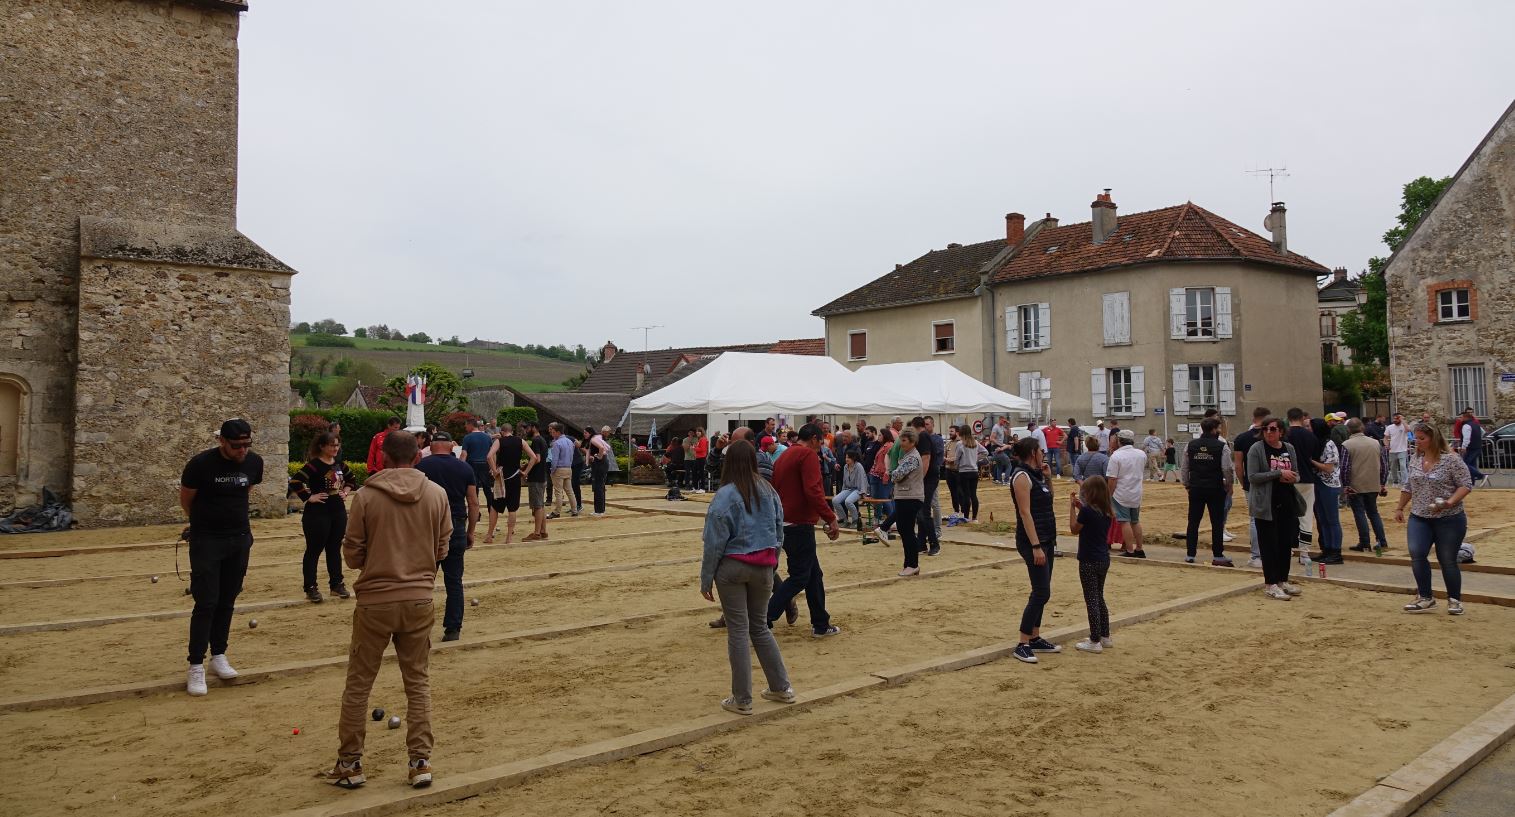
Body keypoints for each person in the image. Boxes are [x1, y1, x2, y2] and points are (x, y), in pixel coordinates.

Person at [320, 430, 450, 790]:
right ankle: (420, 763)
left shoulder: (365, 497)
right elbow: (443, 547)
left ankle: (350, 764)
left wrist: (375, 562)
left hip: (375, 599)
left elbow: (351, 553)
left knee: (359, 684)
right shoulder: (436, 495)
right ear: (417, 457)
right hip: (419, 598)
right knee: (418, 682)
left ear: (385, 457)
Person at [699, 440, 796, 715]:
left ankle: (742, 698)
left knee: (739, 632)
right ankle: (781, 687)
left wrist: (706, 579)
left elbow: (713, 542)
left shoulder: (725, 495)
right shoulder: (769, 491)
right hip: (763, 565)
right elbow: (779, 531)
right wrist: (772, 562)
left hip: (732, 567)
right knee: (760, 628)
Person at [180, 419, 264, 696]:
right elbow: (187, 499)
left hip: (239, 538)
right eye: (236, 446)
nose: (242, 450)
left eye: (246, 445)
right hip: (207, 540)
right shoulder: (201, 464)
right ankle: (195, 665)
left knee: (228, 599)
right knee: (206, 602)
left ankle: (219, 654)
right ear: (222, 442)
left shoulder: (254, 463)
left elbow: (245, 491)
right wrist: (202, 524)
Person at [765, 423, 842, 636]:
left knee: (814, 575)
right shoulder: (807, 456)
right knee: (800, 576)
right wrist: (830, 517)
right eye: (821, 441)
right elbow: (813, 490)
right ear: (815, 439)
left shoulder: (785, 455)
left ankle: (821, 623)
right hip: (799, 524)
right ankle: (765, 617)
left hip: (785, 522)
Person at [1396, 421, 1472, 615]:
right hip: (1420, 515)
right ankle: (1425, 596)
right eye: (1415, 438)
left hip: (1449, 517)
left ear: (1433, 439)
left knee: (1447, 559)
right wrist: (1400, 507)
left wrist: (1450, 502)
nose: (1417, 442)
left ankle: (1454, 599)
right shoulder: (1415, 459)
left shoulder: (1451, 460)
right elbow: (1408, 486)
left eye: (1422, 438)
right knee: (1417, 553)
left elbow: (1465, 485)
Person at [415, 432, 477, 641]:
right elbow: (474, 503)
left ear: (431, 447)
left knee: (422, 581)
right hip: (456, 525)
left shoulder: (421, 468)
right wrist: (471, 531)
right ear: (451, 446)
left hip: (427, 528)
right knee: (454, 580)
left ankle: (418, 627)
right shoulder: (464, 468)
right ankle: (453, 628)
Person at [1009, 438, 1061, 664]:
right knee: (1041, 592)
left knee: (1044, 589)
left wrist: (1048, 477)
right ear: (1032, 452)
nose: (1044, 454)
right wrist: (1036, 546)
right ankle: (1022, 642)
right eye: (1041, 451)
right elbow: (1025, 512)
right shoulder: (1021, 476)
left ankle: (1035, 636)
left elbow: (1049, 499)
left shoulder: (1037, 475)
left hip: (1047, 537)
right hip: (1033, 541)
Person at [289, 431, 353, 603]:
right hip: (317, 514)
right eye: (332, 445)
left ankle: (336, 584)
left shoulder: (340, 464)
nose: (335, 448)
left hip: (338, 511)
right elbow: (295, 481)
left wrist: (345, 492)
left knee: (334, 548)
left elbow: (351, 480)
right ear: (322, 446)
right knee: (314, 550)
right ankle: (310, 587)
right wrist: (309, 497)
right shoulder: (314, 465)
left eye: (337, 445)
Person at [1247, 417, 1305, 601]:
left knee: (1284, 543)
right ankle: (1270, 583)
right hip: (1265, 503)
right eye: (1265, 429)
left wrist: (1292, 478)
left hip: (1286, 500)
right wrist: (1278, 473)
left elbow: (1296, 473)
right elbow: (1253, 476)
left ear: (1281, 431)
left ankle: (1282, 580)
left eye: (1273, 429)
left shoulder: (1289, 448)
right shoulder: (1257, 449)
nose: (1269, 433)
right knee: (1269, 544)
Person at [1069, 474, 1114, 653]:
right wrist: (1080, 506)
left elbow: (1074, 529)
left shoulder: (1087, 512)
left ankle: (1094, 640)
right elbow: (1089, 517)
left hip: (1088, 559)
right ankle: (1105, 635)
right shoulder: (1106, 510)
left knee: (1091, 599)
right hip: (1103, 558)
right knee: (1099, 596)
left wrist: (1072, 508)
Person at [1181, 418, 1235, 566]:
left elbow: (1185, 467)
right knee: (1216, 522)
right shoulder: (1221, 446)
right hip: (1215, 487)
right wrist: (1229, 484)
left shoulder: (1190, 445)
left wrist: (1187, 484)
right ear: (1214, 430)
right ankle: (1218, 555)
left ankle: (1190, 554)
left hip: (1196, 487)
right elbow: (1227, 468)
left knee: (1193, 521)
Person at [1342, 418, 1389, 554]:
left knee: (1359, 513)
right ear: (1362, 428)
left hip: (1355, 485)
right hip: (1373, 483)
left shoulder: (1347, 444)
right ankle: (1382, 540)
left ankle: (1364, 542)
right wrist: (1382, 483)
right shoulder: (1375, 443)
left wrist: (1346, 484)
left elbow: (1345, 467)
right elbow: (1384, 466)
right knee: (1373, 513)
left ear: (1348, 430)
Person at [1233, 406, 1270, 568]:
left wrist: (1243, 483)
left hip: (1252, 483)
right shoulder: (1272, 436)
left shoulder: (1242, 438)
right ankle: (1270, 552)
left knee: (1255, 519)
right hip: (1272, 481)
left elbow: (1238, 466)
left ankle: (1256, 555)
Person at [485, 422, 532, 543]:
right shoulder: (520, 441)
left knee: (495, 506)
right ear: (512, 431)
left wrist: (495, 471)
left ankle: (489, 535)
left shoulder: (499, 441)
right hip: (515, 476)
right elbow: (534, 457)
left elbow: (489, 456)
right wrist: (525, 472)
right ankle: (509, 537)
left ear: (501, 431)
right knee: (512, 508)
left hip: (502, 477)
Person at [1105, 430, 1148, 558]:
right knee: (1135, 521)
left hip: (1121, 493)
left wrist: (1109, 495)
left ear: (1119, 441)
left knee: (1124, 522)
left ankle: (1129, 550)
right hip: (1136, 491)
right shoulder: (1141, 454)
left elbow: (1112, 479)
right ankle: (1139, 548)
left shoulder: (1116, 456)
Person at [1285, 408, 1322, 558]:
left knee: (1286, 515)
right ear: (1302, 418)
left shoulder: (1284, 435)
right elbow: (1315, 457)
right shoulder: (1311, 436)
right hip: (1307, 478)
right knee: (1306, 516)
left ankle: (1287, 548)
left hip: (1288, 479)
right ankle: (1304, 553)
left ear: (1288, 419)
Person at [890, 429, 926, 576]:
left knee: (907, 531)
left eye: (904, 440)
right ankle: (909, 564)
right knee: (905, 531)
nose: (901, 443)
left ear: (912, 442)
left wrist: (892, 473)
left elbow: (897, 475)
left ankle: (912, 564)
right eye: (901, 440)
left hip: (910, 497)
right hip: (905, 496)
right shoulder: (907, 456)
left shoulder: (912, 457)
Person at [1310, 418, 1344, 565]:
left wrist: (1311, 461)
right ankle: (1327, 549)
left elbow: (1329, 468)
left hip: (1329, 484)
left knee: (1332, 520)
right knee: (1323, 519)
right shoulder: (1318, 443)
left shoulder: (1329, 444)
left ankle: (1336, 551)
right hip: (1319, 482)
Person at [522, 422, 551, 541]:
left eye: (527, 428)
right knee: (541, 505)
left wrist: (526, 471)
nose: (526, 431)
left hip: (536, 478)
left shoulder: (536, 441)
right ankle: (543, 531)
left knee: (537, 506)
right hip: (542, 476)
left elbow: (536, 459)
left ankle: (537, 532)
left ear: (533, 428)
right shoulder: (542, 440)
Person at [546, 423, 579, 517]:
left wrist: (552, 470)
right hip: (568, 468)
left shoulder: (557, 443)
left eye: (553, 432)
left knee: (558, 492)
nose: (552, 434)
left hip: (559, 469)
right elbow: (572, 456)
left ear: (558, 432)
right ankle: (574, 510)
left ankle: (557, 511)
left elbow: (555, 459)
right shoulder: (570, 441)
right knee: (570, 491)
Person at [954, 426, 987, 522]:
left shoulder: (960, 444)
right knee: (973, 494)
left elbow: (957, 458)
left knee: (966, 495)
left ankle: (966, 517)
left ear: (961, 433)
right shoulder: (975, 443)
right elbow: (985, 452)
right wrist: (975, 459)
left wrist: (957, 465)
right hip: (974, 471)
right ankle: (975, 518)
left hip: (964, 472)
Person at [869, 426, 896, 541]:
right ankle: (880, 519)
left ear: (885, 436)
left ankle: (892, 521)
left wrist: (886, 473)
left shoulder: (889, 445)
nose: (878, 437)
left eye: (880, 435)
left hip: (883, 476)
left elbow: (889, 462)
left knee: (885, 499)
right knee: (878, 499)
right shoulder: (882, 446)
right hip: (877, 475)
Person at [832, 449, 868, 531]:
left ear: (853, 458)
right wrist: (842, 492)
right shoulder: (845, 466)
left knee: (848, 501)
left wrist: (863, 493)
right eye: (846, 457)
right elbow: (844, 480)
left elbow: (863, 479)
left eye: (848, 457)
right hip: (848, 489)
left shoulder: (858, 466)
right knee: (835, 500)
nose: (846, 459)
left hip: (858, 489)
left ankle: (856, 520)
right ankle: (844, 520)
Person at [1455, 407, 1488, 487]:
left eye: (1461, 417)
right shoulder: (1475, 424)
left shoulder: (1466, 426)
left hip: (1470, 448)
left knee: (1465, 465)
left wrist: (1463, 447)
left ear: (1465, 417)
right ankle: (1471, 483)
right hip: (1477, 446)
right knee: (1472, 465)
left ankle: (1481, 476)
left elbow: (1466, 438)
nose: (1460, 419)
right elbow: (1483, 432)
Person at [586, 425, 613, 516]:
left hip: (600, 463)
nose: (584, 435)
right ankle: (600, 509)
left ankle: (599, 510)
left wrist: (598, 457)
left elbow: (601, 449)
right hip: (602, 462)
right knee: (600, 485)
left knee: (598, 486)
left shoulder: (594, 439)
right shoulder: (600, 438)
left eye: (586, 433)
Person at [1384, 413, 1410, 486]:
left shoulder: (1404, 426)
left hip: (1402, 449)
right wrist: (1386, 444)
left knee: (1402, 466)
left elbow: (1408, 429)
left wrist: (1402, 420)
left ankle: (1405, 482)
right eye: (1394, 418)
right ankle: (1395, 481)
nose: (1395, 420)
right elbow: (1385, 438)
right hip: (1392, 450)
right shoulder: (1389, 427)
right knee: (1393, 467)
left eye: (1397, 418)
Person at [691, 427, 710, 493]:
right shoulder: (700, 439)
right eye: (696, 431)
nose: (697, 433)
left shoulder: (703, 439)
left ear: (702, 432)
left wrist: (694, 448)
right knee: (694, 472)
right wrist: (695, 448)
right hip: (698, 458)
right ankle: (695, 487)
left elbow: (702, 449)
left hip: (701, 458)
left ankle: (702, 488)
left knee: (701, 473)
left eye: (699, 431)